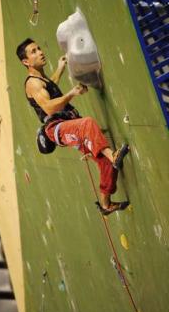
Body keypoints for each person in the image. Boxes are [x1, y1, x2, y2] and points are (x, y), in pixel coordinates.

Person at [16, 38, 129, 215]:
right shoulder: (32, 83)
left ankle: (106, 205)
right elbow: (49, 106)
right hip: (57, 127)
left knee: (105, 163)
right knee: (87, 124)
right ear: (25, 61)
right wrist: (72, 93)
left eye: (39, 48)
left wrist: (60, 69)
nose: (40, 52)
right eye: (34, 52)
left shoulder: (40, 77)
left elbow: (49, 87)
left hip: (67, 121)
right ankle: (113, 156)